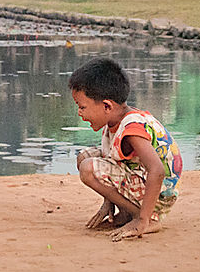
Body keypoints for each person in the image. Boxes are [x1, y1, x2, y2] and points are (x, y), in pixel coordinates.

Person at [69, 58, 182, 241]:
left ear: (107, 106)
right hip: (140, 179)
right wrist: (108, 201)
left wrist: (143, 220)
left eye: (82, 107)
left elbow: (157, 170)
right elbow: (112, 159)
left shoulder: (132, 128)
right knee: (84, 157)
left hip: (158, 195)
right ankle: (125, 212)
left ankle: (144, 217)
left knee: (88, 168)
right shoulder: (114, 119)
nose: (79, 113)